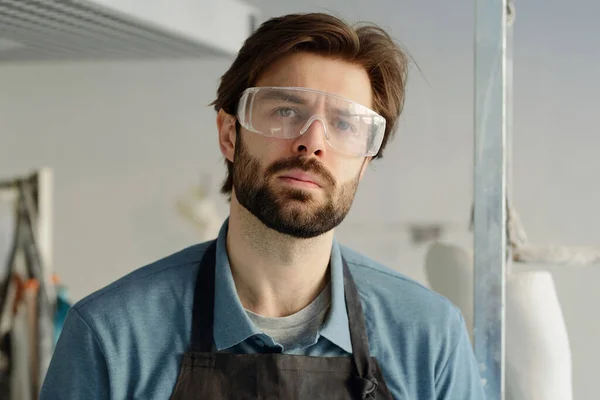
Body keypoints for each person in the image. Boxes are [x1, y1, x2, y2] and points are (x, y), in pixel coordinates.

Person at [40, 13, 486, 400]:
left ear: (365, 163)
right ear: (230, 134)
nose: (312, 141)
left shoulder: (429, 338)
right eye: (286, 111)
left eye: (344, 123)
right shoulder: (112, 336)